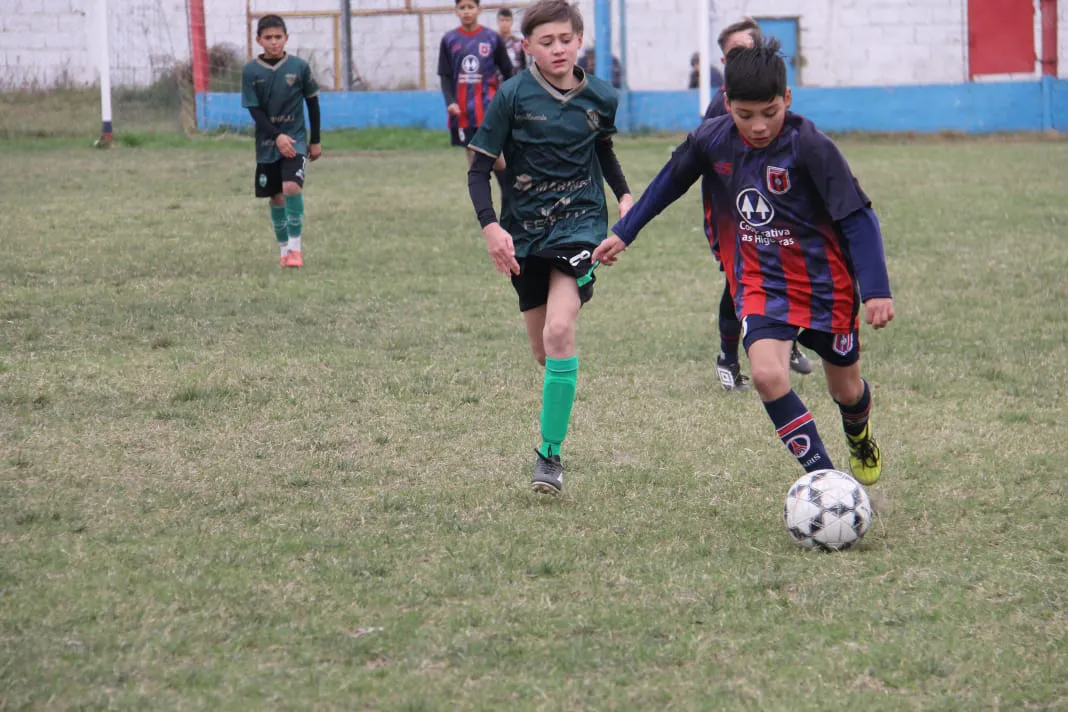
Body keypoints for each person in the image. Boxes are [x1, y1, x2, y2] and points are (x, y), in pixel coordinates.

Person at [591, 38, 893, 486]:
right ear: (726, 102)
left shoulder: (810, 145)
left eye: (769, 113)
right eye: (744, 114)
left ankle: (858, 432)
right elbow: (667, 184)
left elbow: (857, 217)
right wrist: (625, 231)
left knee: (846, 390)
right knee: (769, 375)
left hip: (825, 284)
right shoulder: (711, 140)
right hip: (759, 281)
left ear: (786, 100)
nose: (757, 126)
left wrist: (877, 288)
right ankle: (826, 482)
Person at [467, 0, 633, 495]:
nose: (557, 48)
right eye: (546, 41)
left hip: (580, 226)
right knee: (544, 352)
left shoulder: (602, 97)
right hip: (524, 232)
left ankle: (549, 455)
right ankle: (558, 394)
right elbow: (478, 169)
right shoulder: (513, 97)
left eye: (565, 39)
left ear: (579, 40)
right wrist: (491, 227)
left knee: (561, 332)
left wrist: (623, 196)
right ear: (527, 48)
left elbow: (601, 147)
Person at [701, 19, 813, 389]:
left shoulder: (772, 99)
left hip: (775, 212)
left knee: (786, 269)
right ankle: (727, 359)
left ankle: (785, 340)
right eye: (735, 55)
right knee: (739, 282)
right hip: (734, 216)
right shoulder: (723, 105)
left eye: (749, 51)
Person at [241, 14, 321, 268]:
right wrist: (276, 136)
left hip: (295, 138)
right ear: (259, 40)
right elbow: (254, 110)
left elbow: (313, 102)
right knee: (275, 196)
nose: (274, 42)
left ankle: (296, 250)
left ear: (286, 38)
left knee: (291, 188)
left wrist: (315, 139)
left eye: (278, 37)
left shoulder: (299, 67)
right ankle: (284, 250)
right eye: (268, 38)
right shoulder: (251, 71)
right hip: (267, 142)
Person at [438, 0, 514, 196]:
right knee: (473, 156)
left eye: (470, 7)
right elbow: (445, 76)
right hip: (462, 111)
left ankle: (510, 198)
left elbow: (508, 72)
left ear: (479, 10)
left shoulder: (491, 38)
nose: (466, 12)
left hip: (489, 109)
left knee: (496, 154)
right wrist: (450, 101)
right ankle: (483, 205)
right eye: (462, 8)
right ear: (456, 11)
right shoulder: (449, 40)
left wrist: (508, 100)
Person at [497, 8, 527, 75]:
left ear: (512, 21)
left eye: (507, 20)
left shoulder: (518, 42)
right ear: (498, 21)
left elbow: (523, 64)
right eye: (502, 20)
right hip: (498, 80)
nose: (504, 23)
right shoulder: (493, 41)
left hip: (515, 79)